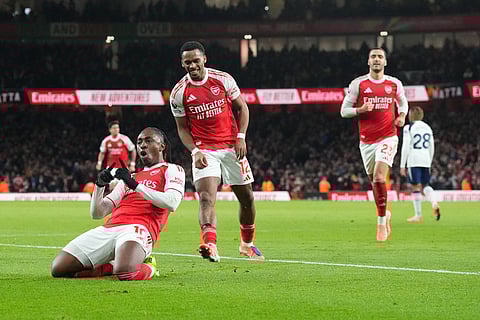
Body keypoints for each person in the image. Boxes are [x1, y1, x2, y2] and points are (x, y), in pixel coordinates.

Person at [170, 41, 263, 262]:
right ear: (182, 64)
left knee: (247, 198)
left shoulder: (223, 79)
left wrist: (241, 137)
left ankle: (246, 245)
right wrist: (194, 151)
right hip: (204, 150)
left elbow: (242, 108)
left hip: (232, 147)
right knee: (205, 198)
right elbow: (182, 128)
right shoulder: (178, 93)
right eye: (187, 62)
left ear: (204, 59)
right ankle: (210, 244)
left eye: (195, 60)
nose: (192, 65)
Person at [51, 127, 185, 280]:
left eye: (148, 140)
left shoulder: (172, 169)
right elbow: (97, 213)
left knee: (126, 273)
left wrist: (135, 185)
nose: (142, 145)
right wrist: (99, 185)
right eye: (139, 142)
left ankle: (150, 267)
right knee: (59, 268)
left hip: (138, 229)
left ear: (162, 146)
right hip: (110, 228)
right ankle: (112, 266)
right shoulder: (131, 177)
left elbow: (172, 202)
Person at [341, 47, 409, 241]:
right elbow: (344, 111)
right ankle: (385, 214)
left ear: (385, 62)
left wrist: (402, 116)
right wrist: (360, 109)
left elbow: (403, 103)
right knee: (374, 181)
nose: (377, 59)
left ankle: (380, 223)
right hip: (366, 141)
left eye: (380, 57)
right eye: (373, 57)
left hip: (388, 136)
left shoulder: (394, 84)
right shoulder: (358, 84)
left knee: (380, 177)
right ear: (368, 62)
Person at [400, 106, 440, 223]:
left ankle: (418, 215)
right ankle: (434, 203)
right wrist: (430, 162)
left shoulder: (409, 127)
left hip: (414, 159)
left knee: (415, 186)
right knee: (425, 185)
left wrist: (403, 165)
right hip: (426, 159)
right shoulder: (428, 127)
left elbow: (406, 146)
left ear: (410, 116)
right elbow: (432, 147)